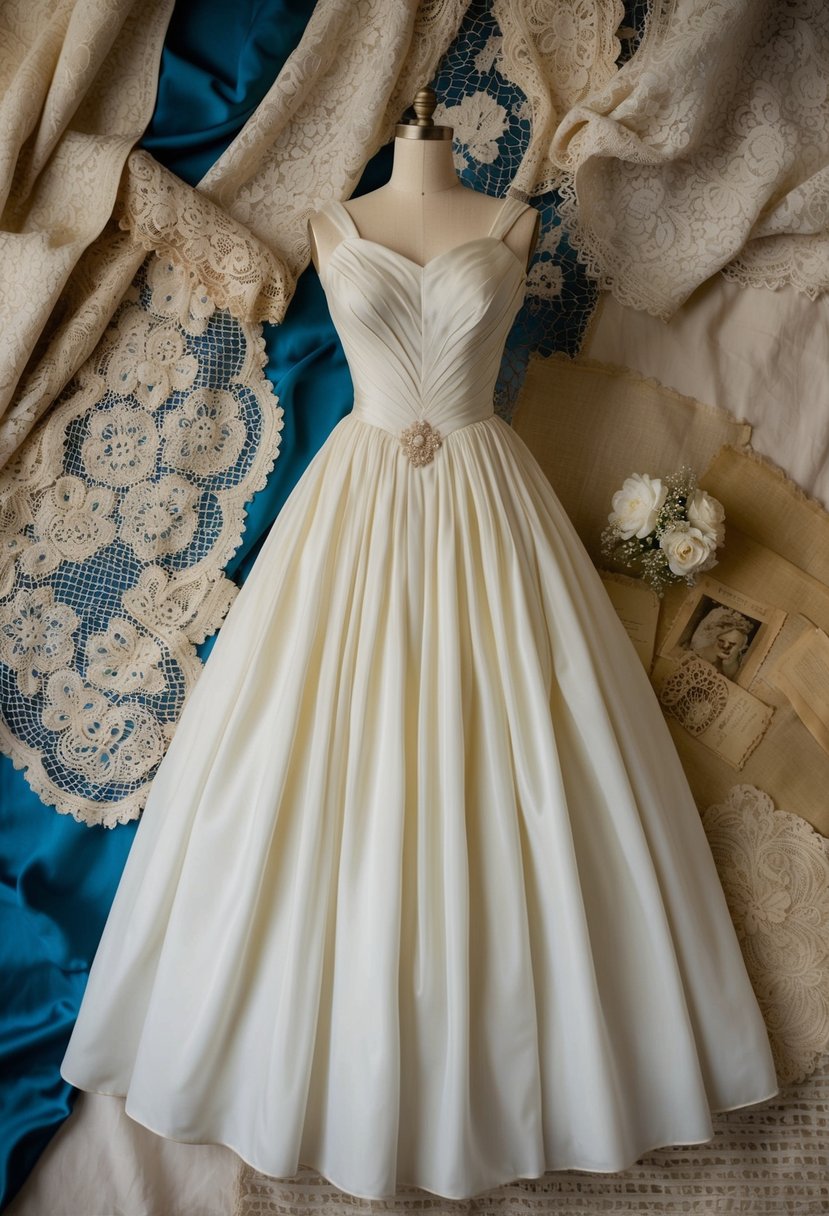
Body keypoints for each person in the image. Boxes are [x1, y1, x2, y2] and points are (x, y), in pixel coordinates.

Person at [61, 92, 778, 1201]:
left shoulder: (507, 221)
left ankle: (561, 1071)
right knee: (301, 752)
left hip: (493, 496)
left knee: (536, 756)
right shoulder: (335, 223)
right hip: (351, 500)